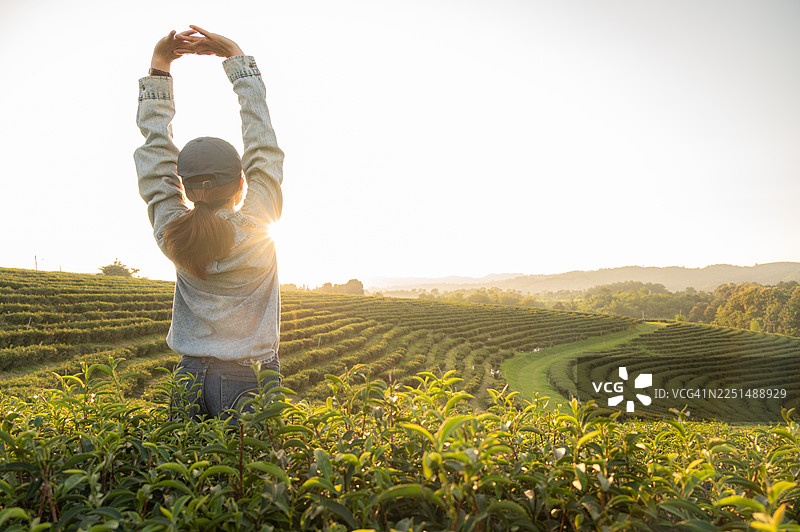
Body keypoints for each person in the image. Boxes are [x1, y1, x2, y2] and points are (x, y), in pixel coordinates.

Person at [134, 26, 284, 425]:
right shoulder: (255, 224)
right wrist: (236, 60)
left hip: (187, 378)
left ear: (181, 184)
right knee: (249, 480)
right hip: (249, 378)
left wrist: (160, 66)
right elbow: (263, 145)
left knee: (185, 477)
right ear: (241, 182)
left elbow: (154, 153)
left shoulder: (173, 232)